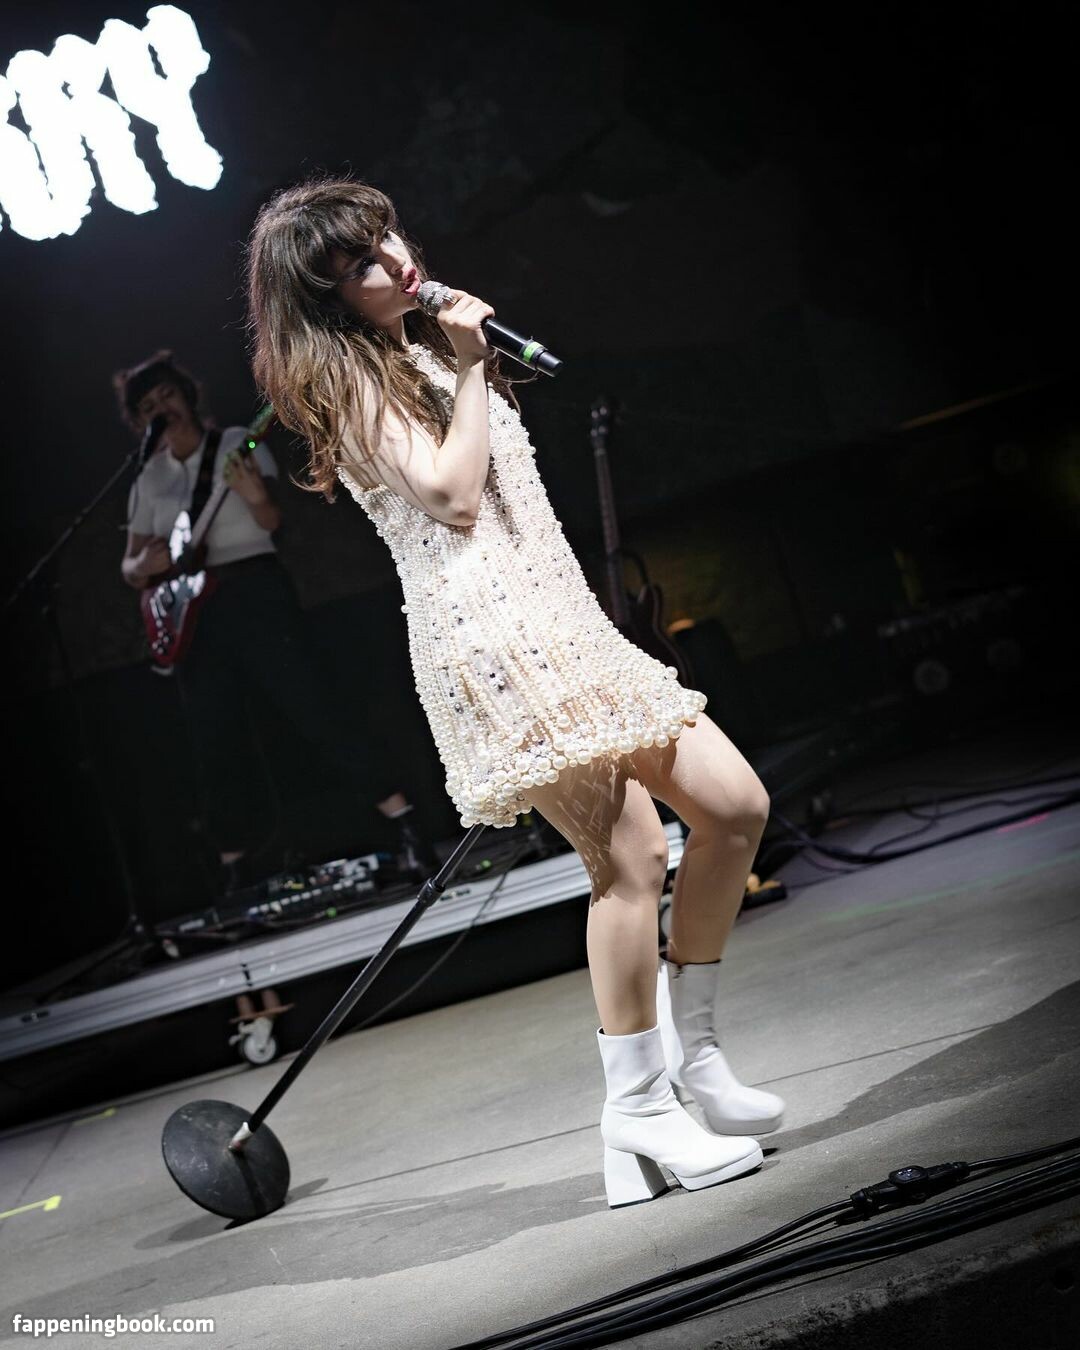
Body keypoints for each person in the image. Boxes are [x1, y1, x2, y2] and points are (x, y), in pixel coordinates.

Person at [244, 177, 785, 1208]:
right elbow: (450, 498)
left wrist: (459, 361)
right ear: (324, 300)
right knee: (630, 860)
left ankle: (698, 1055)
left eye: (387, 238)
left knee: (734, 808)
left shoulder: (417, 349)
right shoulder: (351, 382)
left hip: (562, 622)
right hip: (493, 641)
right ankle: (638, 1107)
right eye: (361, 263)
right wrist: (469, 365)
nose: (395, 261)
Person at [116, 349, 439, 890]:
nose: (160, 409)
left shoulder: (234, 442)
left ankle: (404, 821)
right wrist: (140, 567)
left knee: (314, 706)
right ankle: (234, 868)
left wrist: (252, 495)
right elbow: (129, 566)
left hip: (254, 590)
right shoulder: (148, 478)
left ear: (187, 396)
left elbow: (271, 522)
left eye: (166, 395)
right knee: (214, 737)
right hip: (195, 613)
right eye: (147, 406)